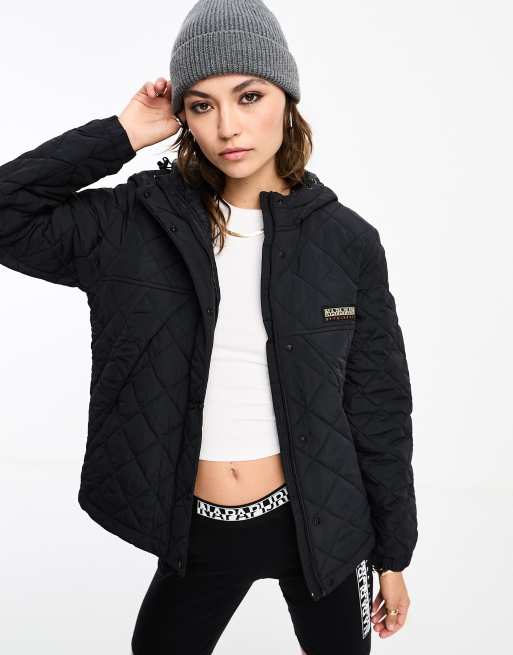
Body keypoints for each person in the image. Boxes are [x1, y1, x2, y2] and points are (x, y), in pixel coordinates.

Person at [0, 1, 418, 653]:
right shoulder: (134, 226)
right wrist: (121, 133)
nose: (228, 126)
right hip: (198, 531)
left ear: (286, 98)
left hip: (324, 525)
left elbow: (378, 406)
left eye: (248, 96)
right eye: (201, 105)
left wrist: (392, 555)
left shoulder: (347, 241)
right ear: (183, 117)